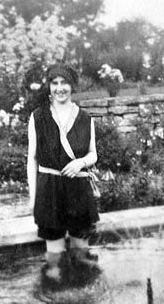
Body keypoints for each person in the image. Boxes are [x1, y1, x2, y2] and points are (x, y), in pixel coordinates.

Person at [27, 64, 100, 282]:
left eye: (65, 83)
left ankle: (83, 288)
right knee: (55, 258)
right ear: (49, 87)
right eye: (55, 83)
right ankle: (54, 292)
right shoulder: (38, 117)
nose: (60, 88)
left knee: (81, 251)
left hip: (78, 188)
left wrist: (81, 163)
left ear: (72, 85)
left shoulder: (85, 118)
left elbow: (93, 154)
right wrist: (33, 197)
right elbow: (32, 159)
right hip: (49, 188)